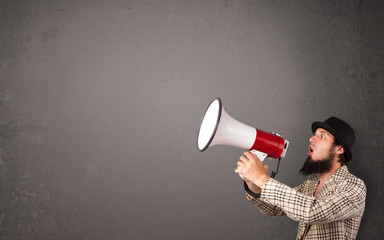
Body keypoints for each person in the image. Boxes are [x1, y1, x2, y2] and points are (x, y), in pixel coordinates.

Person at [235, 117, 366, 240]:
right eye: (314, 134)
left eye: (322, 135)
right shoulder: (311, 183)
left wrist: (261, 178)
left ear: (339, 148)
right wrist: (253, 184)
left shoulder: (354, 187)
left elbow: (312, 212)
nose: (311, 139)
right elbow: (275, 208)